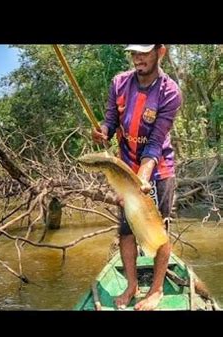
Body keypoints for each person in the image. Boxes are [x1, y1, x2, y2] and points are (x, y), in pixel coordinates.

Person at [92, 44, 182, 310]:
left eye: (144, 51)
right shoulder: (119, 83)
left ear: (160, 51)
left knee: (158, 230)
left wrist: (139, 183)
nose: (137, 58)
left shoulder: (170, 93)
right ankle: (131, 285)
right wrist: (102, 132)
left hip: (158, 169)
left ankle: (155, 290)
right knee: (126, 230)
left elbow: (154, 144)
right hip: (126, 167)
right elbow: (110, 121)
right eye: (134, 52)